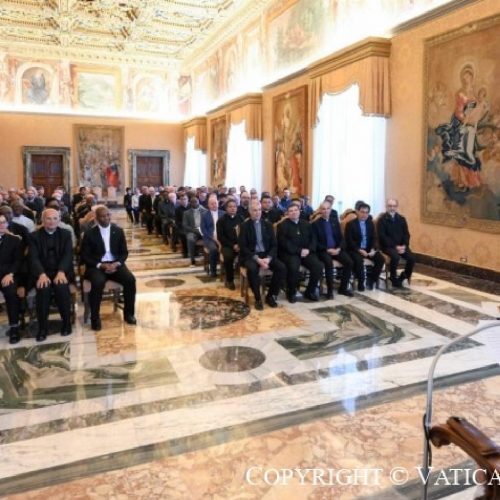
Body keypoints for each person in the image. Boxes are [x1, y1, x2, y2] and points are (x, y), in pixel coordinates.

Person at [80, 206, 136, 331]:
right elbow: (85, 255)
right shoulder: (89, 233)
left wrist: (117, 263)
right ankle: (95, 318)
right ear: (96, 218)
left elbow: (124, 252)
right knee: (98, 282)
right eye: (102, 216)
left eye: (107, 215)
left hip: (115, 264)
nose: (106, 218)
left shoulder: (118, 231)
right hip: (96, 266)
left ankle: (129, 314)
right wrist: (100, 265)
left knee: (130, 280)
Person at [29, 209, 74, 341]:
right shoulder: (34, 236)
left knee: (61, 287)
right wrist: (41, 274)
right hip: (42, 272)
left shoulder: (66, 234)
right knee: (43, 289)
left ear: (59, 220)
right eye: (48, 218)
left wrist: (61, 271)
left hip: (62, 271)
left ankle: (66, 323)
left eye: (55, 218)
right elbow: (33, 258)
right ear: (42, 220)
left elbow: (68, 255)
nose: (52, 221)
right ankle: (42, 327)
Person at [238, 201, 286, 310]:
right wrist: (257, 259)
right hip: (251, 255)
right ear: (250, 211)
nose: (258, 212)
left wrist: (268, 258)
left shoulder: (268, 225)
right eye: (255, 210)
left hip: (266, 254)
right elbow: (243, 247)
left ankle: (271, 296)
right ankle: (258, 298)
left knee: (281, 268)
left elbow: (274, 245)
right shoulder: (244, 226)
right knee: (252, 269)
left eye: (259, 210)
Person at [277, 202, 323, 302]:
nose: (293, 212)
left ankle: (310, 291)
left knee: (318, 266)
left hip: (306, 252)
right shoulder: (282, 225)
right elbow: (284, 243)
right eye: (291, 211)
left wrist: (308, 250)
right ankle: (291, 292)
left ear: (299, 211)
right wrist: (299, 251)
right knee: (293, 267)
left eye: (295, 210)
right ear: (287, 213)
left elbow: (313, 239)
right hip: (291, 253)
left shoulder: (306, 224)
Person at [312, 202, 354, 298]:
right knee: (328, 263)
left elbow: (341, 238)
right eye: (323, 209)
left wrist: (339, 248)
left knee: (349, 262)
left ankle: (343, 288)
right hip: (323, 250)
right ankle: (329, 291)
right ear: (320, 210)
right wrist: (327, 250)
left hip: (336, 249)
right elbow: (315, 243)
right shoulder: (315, 224)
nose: (326, 211)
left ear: (331, 210)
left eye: (328, 208)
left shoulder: (335, 221)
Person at [344, 202, 384, 291]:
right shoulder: (350, 224)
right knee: (358, 260)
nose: (364, 215)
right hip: (355, 249)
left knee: (380, 259)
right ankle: (361, 281)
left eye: (366, 212)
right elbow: (349, 241)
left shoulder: (370, 223)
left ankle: (371, 280)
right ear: (357, 212)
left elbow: (374, 238)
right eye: (362, 212)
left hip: (369, 249)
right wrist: (359, 250)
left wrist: (373, 249)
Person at [376, 199, 415, 287]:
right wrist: (395, 247)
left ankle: (404, 275)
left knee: (412, 258)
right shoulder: (382, 220)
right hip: (388, 246)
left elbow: (406, 234)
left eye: (394, 206)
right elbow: (382, 237)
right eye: (390, 206)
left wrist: (404, 245)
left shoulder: (401, 219)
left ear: (397, 207)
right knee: (395, 257)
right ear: (386, 207)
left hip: (402, 246)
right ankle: (393, 277)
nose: (392, 208)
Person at [0, 214, 23, 343]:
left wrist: (10, 274)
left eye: (4, 222)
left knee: (10, 292)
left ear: (7, 224)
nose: (1, 225)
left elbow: (18, 260)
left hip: (8, 275)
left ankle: (14, 327)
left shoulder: (15, 240)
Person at [216, 199, 244, 289]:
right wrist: (233, 245)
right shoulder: (221, 221)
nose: (233, 208)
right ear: (226, 208)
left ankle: (248, 278)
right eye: (230, 207)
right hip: (227, 245)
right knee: (228, 256)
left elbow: (244, 234)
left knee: (249, 253)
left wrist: (239, 244)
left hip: (240, 245)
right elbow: (221, 237)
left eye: (234, 206)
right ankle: (229, 280)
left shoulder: (241, 218)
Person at [200, 195, 224, 277]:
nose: (214, 205)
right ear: (208, 205)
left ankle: (226, 269)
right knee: (213, 249)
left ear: (218, 203)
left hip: (222, 237)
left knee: (227, 248)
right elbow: (203, 230)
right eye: (212, 204)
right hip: (209, 238)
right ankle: (213, 271)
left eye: (215, 203)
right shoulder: (204, 215)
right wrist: (214, 238)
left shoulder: (223, 213)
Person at [183, 196, 207, 266]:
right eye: (192, 202)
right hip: (193, 231)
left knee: (211, 237)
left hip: (203, 230)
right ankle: (192, 259)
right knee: (190, 239)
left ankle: (210, 258)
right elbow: (185, 225)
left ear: (198, 202)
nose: (194, 203)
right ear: (190, 203)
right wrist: (195, 230)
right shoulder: (186, 213)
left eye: (196, 202)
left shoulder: (205, 211)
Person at [175, 193, 189, 258]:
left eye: (185, 199)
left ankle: (194, 250)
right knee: (183, 235)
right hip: (182, 227)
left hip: (191, 226)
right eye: (182, 199)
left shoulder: (191, 207)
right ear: (180, 201)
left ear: (187, 200)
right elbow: (177, 221)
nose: (183, 201)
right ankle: (185, 252)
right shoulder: (177, 209)